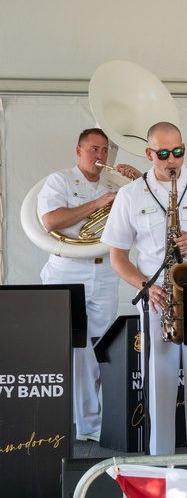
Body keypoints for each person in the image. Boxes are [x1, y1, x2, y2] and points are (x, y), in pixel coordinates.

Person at [102, 122, 187, 455]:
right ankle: (160, 464)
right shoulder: (130, 194)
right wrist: (146, 288)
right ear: (149, 154)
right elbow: (118, 258)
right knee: (160, 386)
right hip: (158, 297)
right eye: (163, 154)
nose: (171, 160)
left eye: (177, 152)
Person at [36, 128, 141, 442]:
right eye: (94, 149)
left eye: (105, 150)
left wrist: (138, 183)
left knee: (97, 348)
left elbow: (145, 215)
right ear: (79, 150)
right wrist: (99, 203)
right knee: (74, 349)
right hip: (68, 270)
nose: (100, 156)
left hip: (106, 270)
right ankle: (75, 423)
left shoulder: (116, 184)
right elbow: (51, 221)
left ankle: (90, 424)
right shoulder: (60, 181)